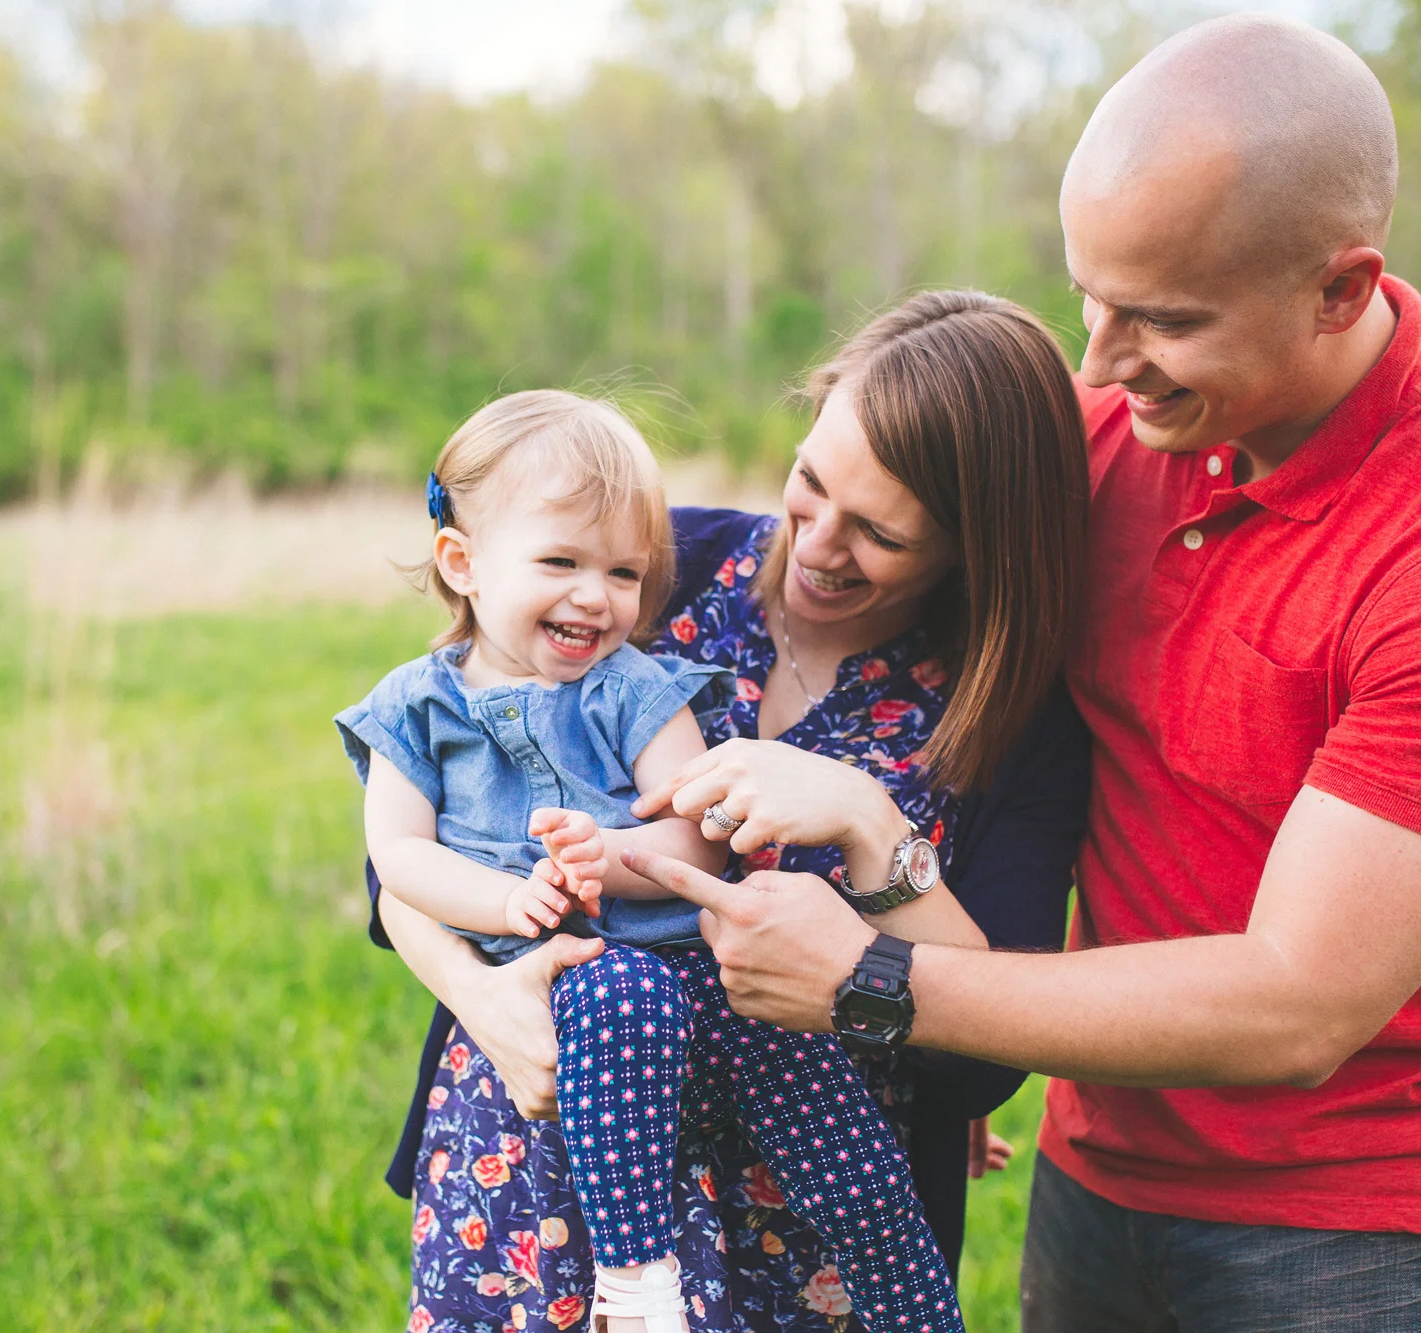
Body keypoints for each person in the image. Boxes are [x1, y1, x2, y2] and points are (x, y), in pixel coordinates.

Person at [624, 16, 1421, 1333]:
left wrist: (886, 987)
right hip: (1095, 1177)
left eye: (1161, 319)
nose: (1098, 361)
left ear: (1338, 286)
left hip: (1361, 1228)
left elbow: (1297, 1002)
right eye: (1091, 296)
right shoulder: (1107, 438)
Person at [360, 292, 1092, 1333]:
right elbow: (414, 831)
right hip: (553, 1166)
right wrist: (484, 1003)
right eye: (808, 482)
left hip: (821, 1229)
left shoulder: (1010, 718)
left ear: (972, 547)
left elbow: (981, 1062)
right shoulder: (655, 566)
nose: (818, 545)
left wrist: (870, 826)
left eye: (878, 532)